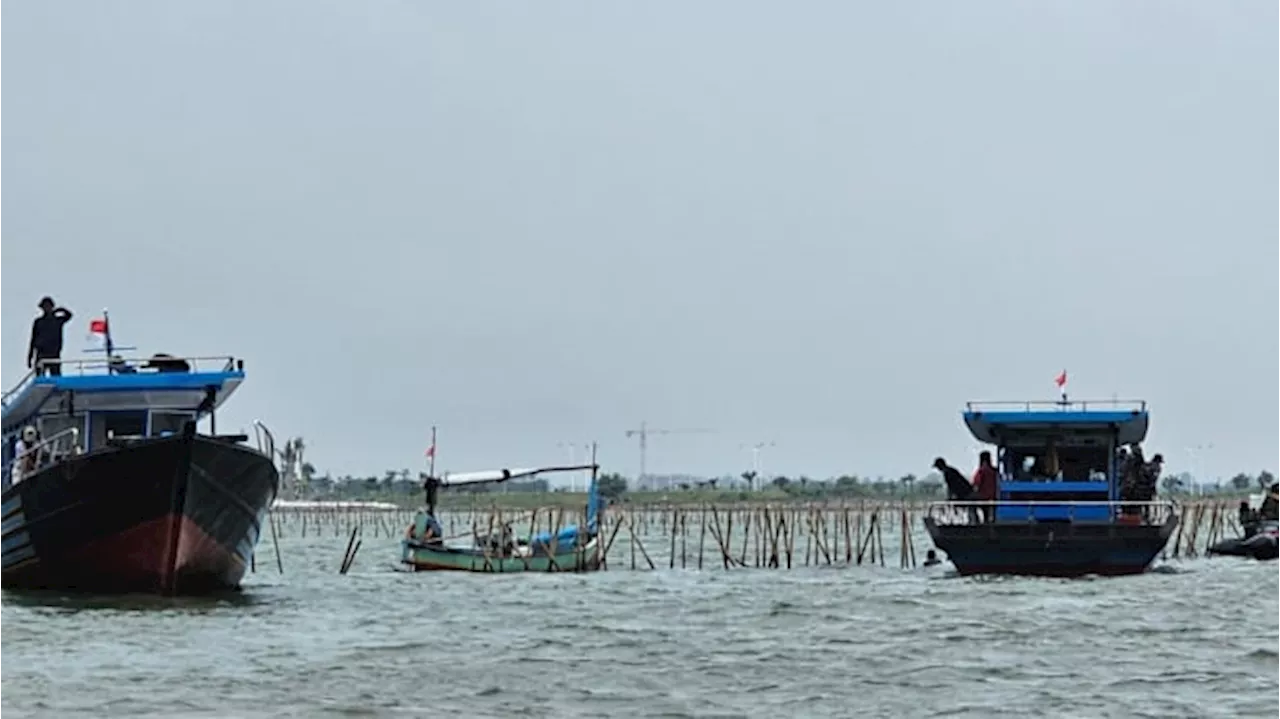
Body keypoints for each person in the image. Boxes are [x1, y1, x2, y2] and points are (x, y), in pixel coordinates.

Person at [27, 297, 73, 376]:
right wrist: (30, 356)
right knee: (40, 378)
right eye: (44, 306)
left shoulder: (58, 320)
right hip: (41, 353)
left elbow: (69, 315)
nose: (46, 308)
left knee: (56, 377)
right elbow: (33, 339)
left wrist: (60, 309)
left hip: (54, 353)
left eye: (48, 306)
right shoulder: (38, 322)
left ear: (52, 307)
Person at [972, 450, 999, 524]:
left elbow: (977, 482)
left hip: (983, 496)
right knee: (991, 515)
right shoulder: (994, 471)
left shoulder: (982, 470)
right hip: (993, 495)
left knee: (984, 514)